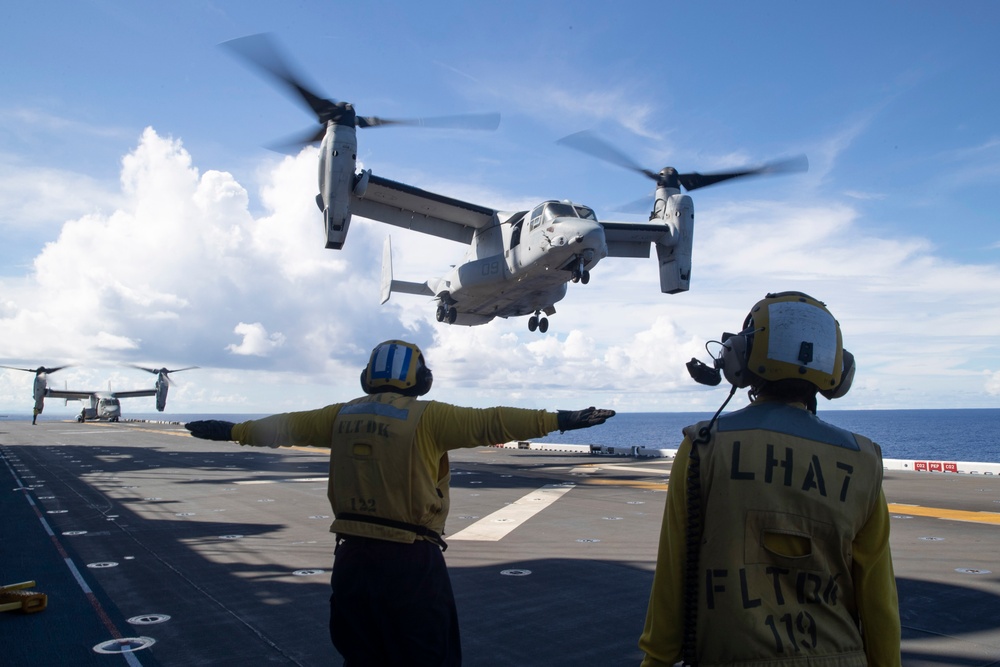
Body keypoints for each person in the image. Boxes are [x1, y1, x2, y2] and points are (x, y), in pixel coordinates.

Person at [185, 339, 615, 666]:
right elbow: (494, 421)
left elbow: (280, 428)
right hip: (410, 562)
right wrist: (560, 420)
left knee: (361, 654)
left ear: (367, 377)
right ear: (420, 380)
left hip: (352, 559)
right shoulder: (430, 417)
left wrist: (229, 430)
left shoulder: (340, 416)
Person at [639, 292, 900, 667]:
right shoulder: (863, 461)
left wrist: (657, 660)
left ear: (742, 357)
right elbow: (879, 601)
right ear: (837, 369)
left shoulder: (704, 446)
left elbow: (672, 578)